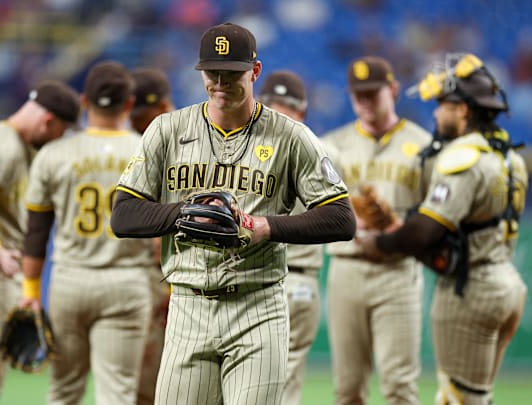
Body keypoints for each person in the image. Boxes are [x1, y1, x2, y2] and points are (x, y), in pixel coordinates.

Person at [111, 22, 356, 405]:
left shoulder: (291, 136)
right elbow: (123, 216)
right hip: (188, 305)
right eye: (213, 73)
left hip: (258, 306)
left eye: (232, 73)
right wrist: (183, 212)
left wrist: (264, 227)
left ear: (255, 71)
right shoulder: (167, 130)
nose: (221, 83)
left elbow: (342, 219)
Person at [358, 53, 529, 405]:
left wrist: (382, 241)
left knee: (457, 398)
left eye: (442, 104)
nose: (436, 113)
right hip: (508, 283)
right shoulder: (510, 155)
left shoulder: (463, 156)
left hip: (472, 291)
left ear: (463, 109)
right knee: (477, 396)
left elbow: (425, 233)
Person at [20, 60, 153, 405]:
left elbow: (36, 233)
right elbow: (161, 230)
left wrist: (30, 290)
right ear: (128, 104)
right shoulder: (147, 150)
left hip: (70, 281)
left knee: (64, 391)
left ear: (83, 102)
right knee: (119, 392)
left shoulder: (53, 154)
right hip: (127, 281)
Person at [0, 80, 80, 405]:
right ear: (48, 121)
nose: (55, 141)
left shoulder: (19, 146)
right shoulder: (3, 143)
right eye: (58, 132)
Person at [321, 56, 432, 405]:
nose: (366, 102)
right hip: (346, 270)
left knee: (399, 386)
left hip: (397, 271)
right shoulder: (331, 146)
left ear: (394, 91)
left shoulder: (424, 147)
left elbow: (437, 216)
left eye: (373, 93)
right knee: (347, 388)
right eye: (359, 95)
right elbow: (314, 211)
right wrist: (352, 222)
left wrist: (400, 226)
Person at [257, 69, 338, 405]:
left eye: (281, 107)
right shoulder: (323, 151)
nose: (276, 113)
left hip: (274, 278)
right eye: (272, 106)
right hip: (289, 281)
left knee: (265, 381)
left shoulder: (248, 151)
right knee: (281, 383)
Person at [130, 66, 175, 405]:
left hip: (165, 279)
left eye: (140, 115)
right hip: (139, 276)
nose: (133, 121)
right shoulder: (135, 144)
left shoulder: (179, 142)